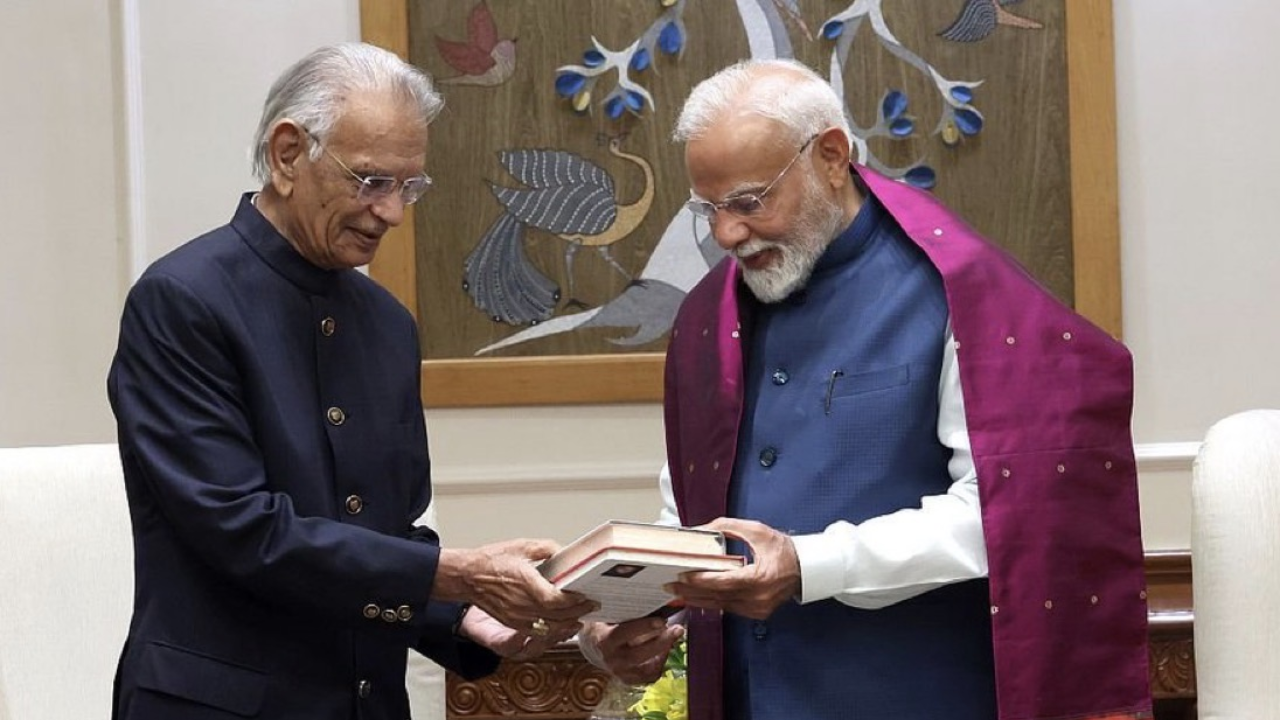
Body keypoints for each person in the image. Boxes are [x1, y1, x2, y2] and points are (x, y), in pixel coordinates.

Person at [580, 59, 1152, 720]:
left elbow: (1004, 510)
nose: (726, 234)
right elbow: (691, 506)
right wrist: (626, 613)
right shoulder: (709, 315)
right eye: (707, 209)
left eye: (748, 202)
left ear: (830, 156)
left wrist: (808, 565)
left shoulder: (959, 295)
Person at [107, 42, 594, 720]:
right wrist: (457, 573)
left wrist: (462, 618)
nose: (393, 212)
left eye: (409, 186)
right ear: (286, 156)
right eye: (371, 181)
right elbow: (242, 531)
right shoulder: (182, 302)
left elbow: (392, 532)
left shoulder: (388, 325)